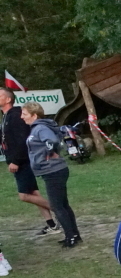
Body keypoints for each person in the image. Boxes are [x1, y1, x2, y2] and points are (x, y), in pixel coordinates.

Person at [0, 87, 58, 236]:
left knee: (24, 195)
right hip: (18, 160)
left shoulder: (15, 115)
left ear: (8, 99)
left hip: (23, 161)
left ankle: (60, 210)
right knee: (34, 193)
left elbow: (23, 141)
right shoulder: (6, 116)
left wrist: (16, 161)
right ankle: (51, 224)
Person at [22, 102, 82, 248]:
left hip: (53, 170)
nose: (22, 117)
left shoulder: (40, 128)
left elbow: (52, 141)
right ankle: (74, 235)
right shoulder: (38, 128)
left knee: (57, 206)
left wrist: (49, 153)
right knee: (63, 204)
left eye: (24, 114)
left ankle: (70, 237)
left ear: (34, 115)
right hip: (52, 170)